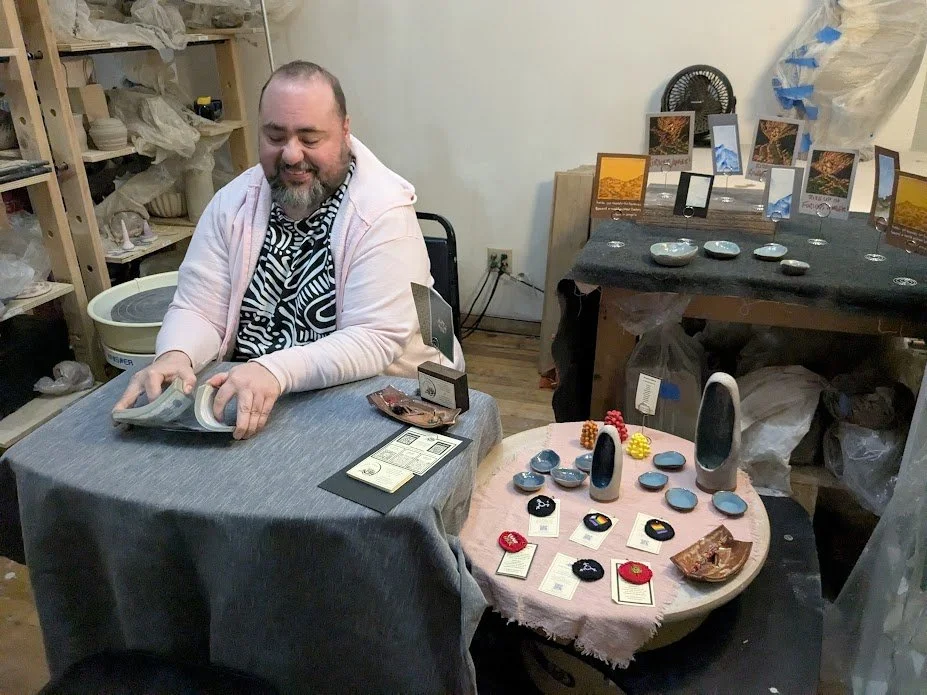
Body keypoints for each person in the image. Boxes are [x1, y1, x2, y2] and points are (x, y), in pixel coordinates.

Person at [114, 60, 464, 439]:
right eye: (275, 137)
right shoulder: (232, 204)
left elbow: (373, 339)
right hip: (256, 395)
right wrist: (176, 354)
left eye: (310, 139)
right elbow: (199, 306)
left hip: (381, 399)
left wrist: (274, 370)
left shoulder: (383, 212)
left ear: (345, 131)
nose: (292, 155)